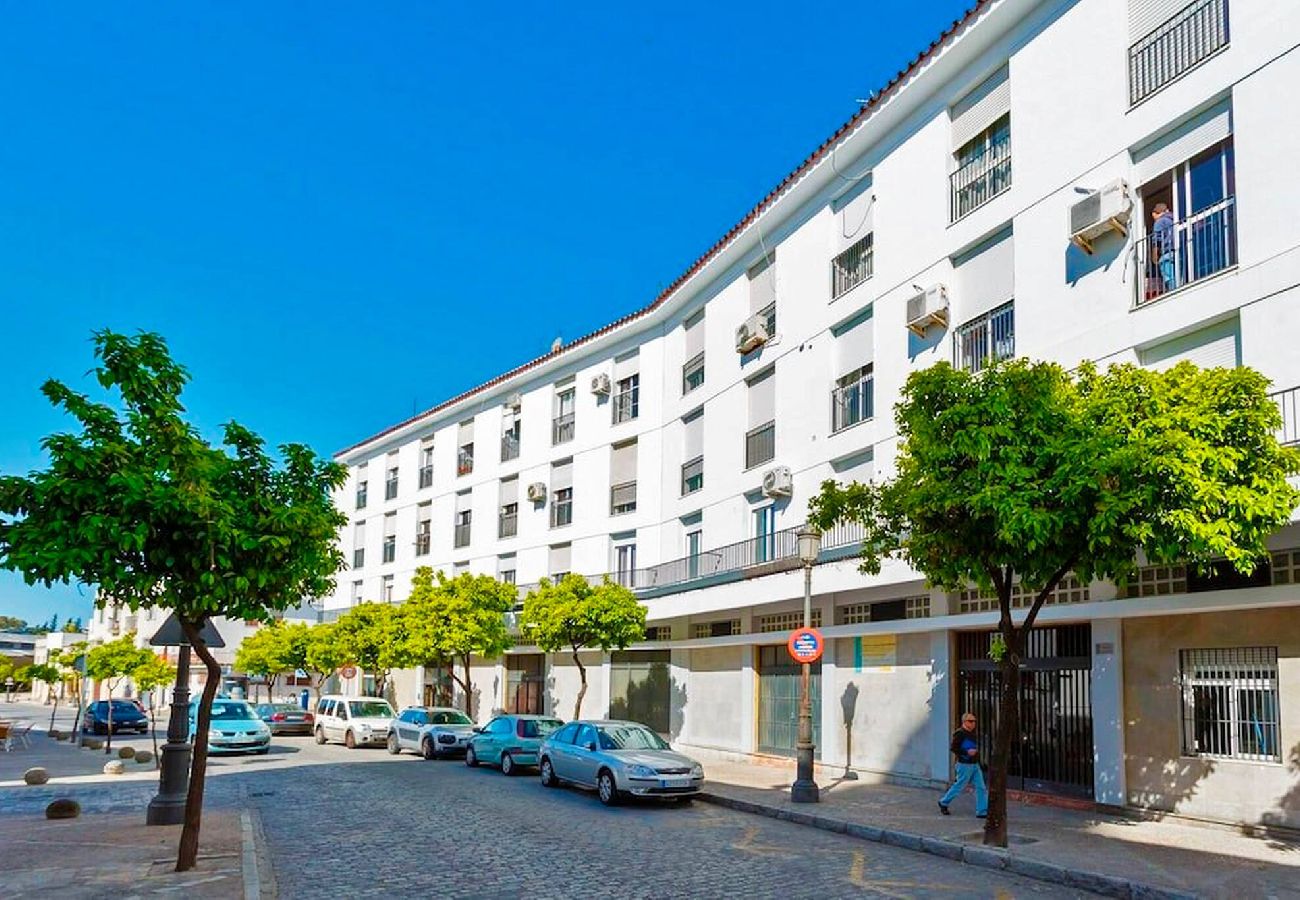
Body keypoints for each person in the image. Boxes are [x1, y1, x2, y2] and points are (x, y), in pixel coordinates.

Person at [938, 712, 988, 818]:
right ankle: (944, 802)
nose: (973, 723)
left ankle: (982, 811)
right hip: (964, 765)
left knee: (981, 787)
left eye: (974, 721)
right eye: (970, 721)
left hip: (974, 764)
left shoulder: (973, 733)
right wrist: (966, 752)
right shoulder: (959, 733)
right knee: (959, 786)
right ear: (964, 722)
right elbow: (953, 748)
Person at [1150, 203, 1176, 294]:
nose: (1155, 220)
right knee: (1178, 275)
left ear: (1157, 213)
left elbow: (1157, 239)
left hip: (1166, 253)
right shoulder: (1174, 220)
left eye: (1154, 217)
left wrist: (1154, 256)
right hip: (1177, 252)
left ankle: (1173, 293)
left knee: (1169, 278)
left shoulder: (1160, 222)